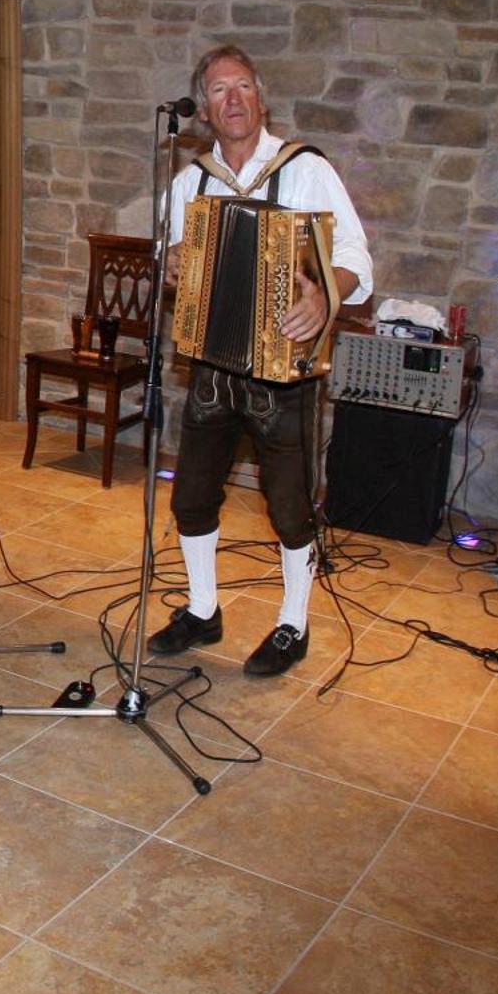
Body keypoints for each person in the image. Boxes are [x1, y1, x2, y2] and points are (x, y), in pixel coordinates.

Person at [146, 45, 373, 677]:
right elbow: (169, 259)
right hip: (214, 369)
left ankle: (293, 625)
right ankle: (201, 609)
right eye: (219, 91)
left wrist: (326, 295)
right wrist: (170, 265)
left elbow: (359, 257)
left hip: (285, 371)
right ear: (205, 110)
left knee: (290, 506)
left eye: (243, 86)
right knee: (191, 497)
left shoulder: (306, 169)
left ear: (261, 97)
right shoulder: (191, 183)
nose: (234, 99)